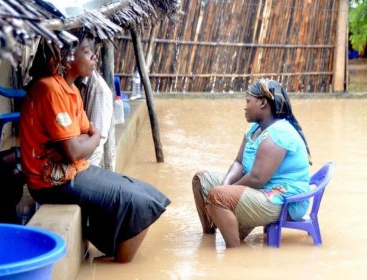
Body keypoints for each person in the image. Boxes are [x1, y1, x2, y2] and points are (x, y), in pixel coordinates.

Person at [19, 35, 170, 263]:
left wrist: (85, 140)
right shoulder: (50, 89)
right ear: (67, 57)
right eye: (88, 52)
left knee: (148, 193)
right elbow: (77, 147)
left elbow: (85, 139)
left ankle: (111, 250)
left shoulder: (71, 90)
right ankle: (120, 265)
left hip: (75, 169)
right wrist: (87, 139)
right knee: (139, 202)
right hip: (52, 181)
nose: (94, 56)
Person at [192, 79, 312, 248]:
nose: (245, 107)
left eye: (248, 101)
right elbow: (239, 162)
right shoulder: (255, 129)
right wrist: (226, 184)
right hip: (262, 191)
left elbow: (257, 178)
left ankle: (234, 252)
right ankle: (209, 235)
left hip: (284, 199)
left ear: (263, 103)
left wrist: (226, 192)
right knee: (200, 180)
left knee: (217, 196)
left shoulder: (278, 133)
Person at [76, 69, 116, 171]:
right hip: (77, 146)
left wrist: (71, 149)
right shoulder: (73, 82)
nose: (94, 56)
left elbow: (97, 137)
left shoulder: (99, 90)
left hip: (89, 153)